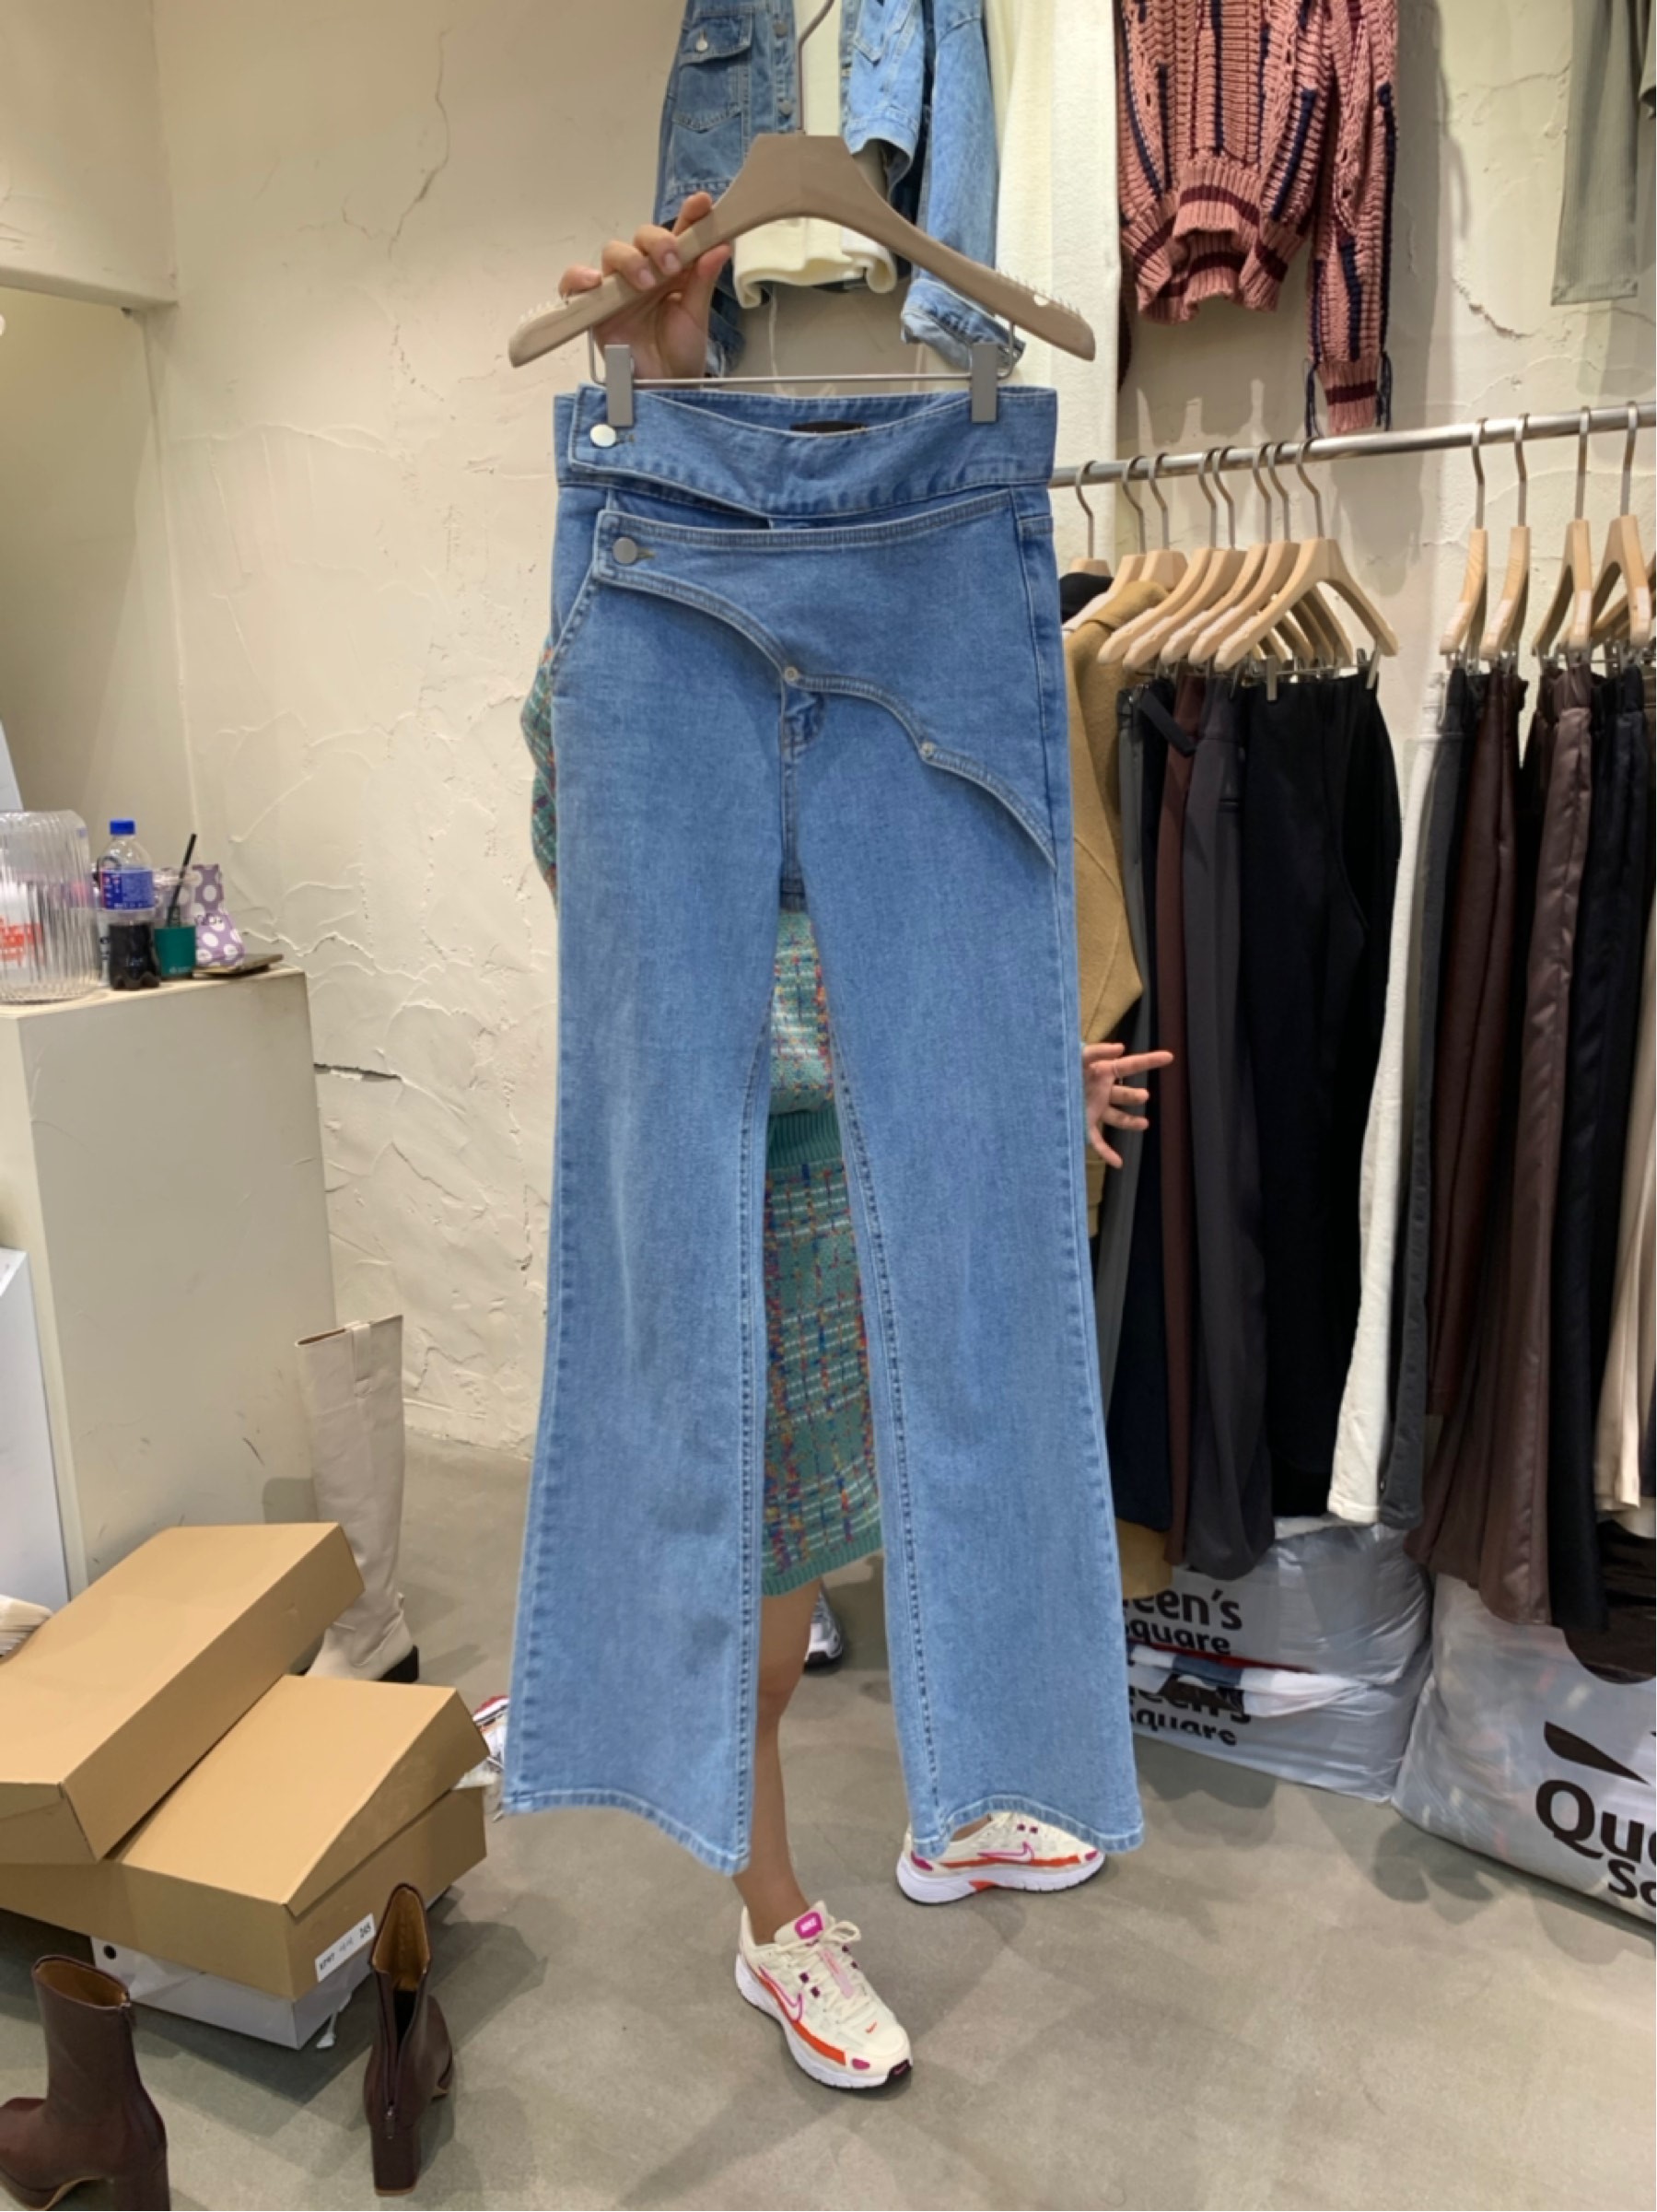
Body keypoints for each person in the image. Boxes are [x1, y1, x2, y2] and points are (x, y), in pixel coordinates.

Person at [528, 194, 1173, 2092]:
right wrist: (648, 396)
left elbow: (943, 951)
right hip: (753, 1203)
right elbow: (589, 823)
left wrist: (1015, 1077)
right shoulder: (645, 608)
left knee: (923, 1495)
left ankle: (960, 1800)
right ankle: (769, 1916)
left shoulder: (950, 542)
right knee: (761, 1603)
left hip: (855, 1180)